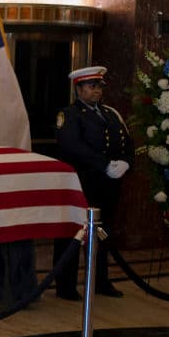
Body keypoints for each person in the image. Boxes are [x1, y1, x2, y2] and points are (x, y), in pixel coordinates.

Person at [53, 66, 134, 300]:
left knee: (103, 234)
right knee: (72, 234)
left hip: (108, 185)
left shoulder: (111, 113)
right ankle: (65, 286)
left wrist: (126, 163)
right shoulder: (69, 115)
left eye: (99, 86)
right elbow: (72, 146)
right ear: (78, 89)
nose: (97, 90)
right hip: (81, 183)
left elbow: (127, 141)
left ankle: (100, 281)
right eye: (92, 86)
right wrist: (105, 164)